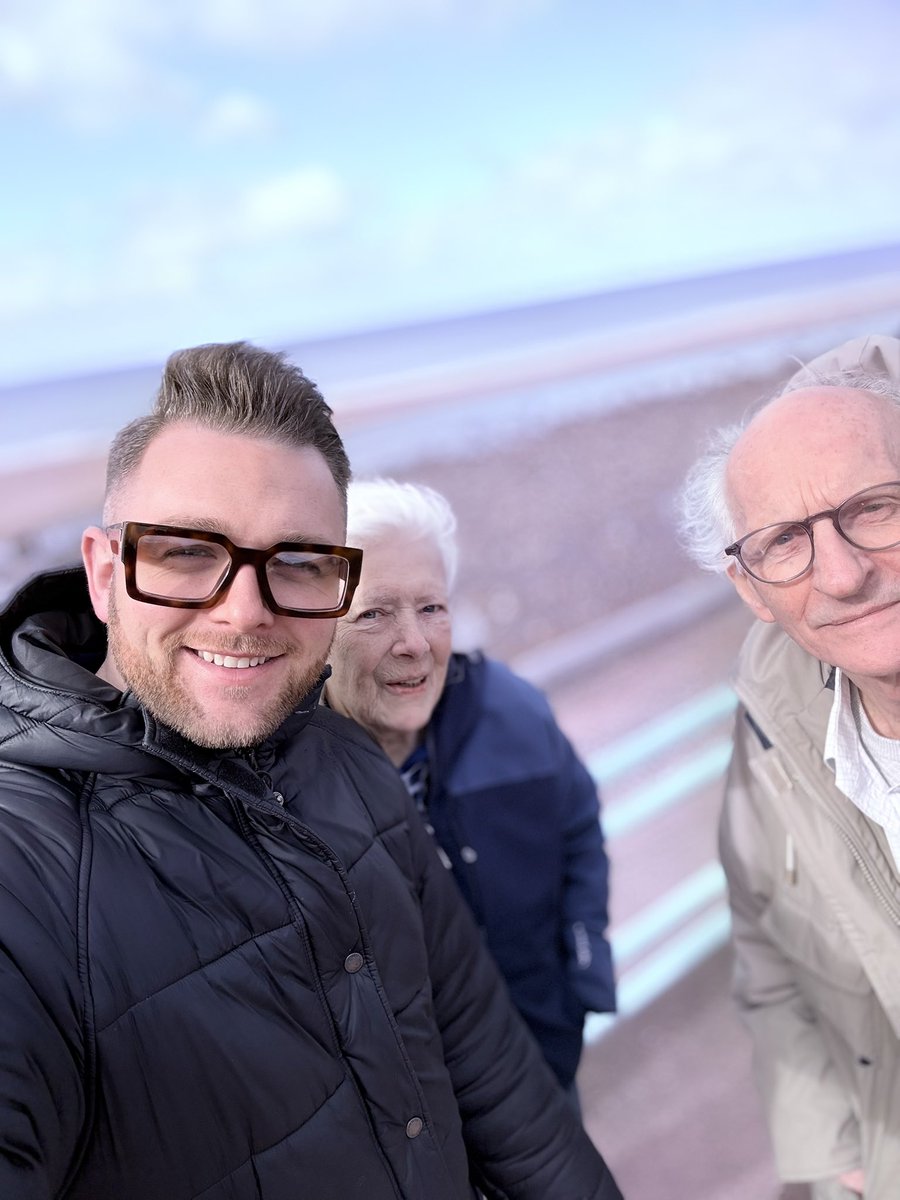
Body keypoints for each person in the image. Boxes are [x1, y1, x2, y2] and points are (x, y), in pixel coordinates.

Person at [0, 341, 623, 1200]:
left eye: (297, 564)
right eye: (186, 553)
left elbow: (496, 1077)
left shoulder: (345, 763)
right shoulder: (23, 867)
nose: (244, 611)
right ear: (107, 575)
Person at [677, 332, 900, 1200]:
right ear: (751, 589)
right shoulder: (775, 723)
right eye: (785, 543)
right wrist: (834, 1148)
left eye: (876, 507)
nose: (841, 574)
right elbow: (767, 944)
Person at [322, 478, 615, 1097]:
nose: (416, 643)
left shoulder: (511, 712)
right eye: (374, 613)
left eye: (431, 607)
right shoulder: (284, 786)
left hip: (543, 1069)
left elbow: (579, 823)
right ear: (317, 627)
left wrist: (583, 980)